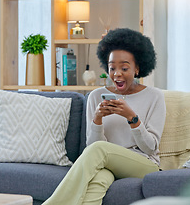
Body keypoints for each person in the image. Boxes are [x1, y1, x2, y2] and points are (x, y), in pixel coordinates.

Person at [43, 28, 166, 205]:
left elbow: (150, 148)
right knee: (98, 181)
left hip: (144, 164)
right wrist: (97, 120)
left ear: (137, 68)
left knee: (100, 150)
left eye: (124, 68)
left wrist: (131, 117)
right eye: (112, 68)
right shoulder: (95, 96)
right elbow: (92, 148)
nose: (117, 74)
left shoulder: (154, 96)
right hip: (107, 163)